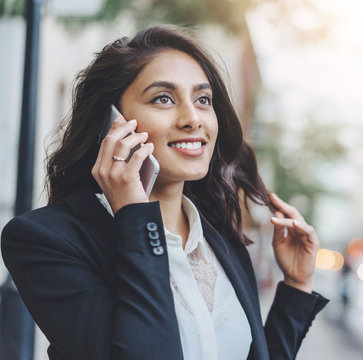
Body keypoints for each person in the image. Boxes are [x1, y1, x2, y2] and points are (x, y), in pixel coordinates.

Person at [1, 25, 328, 360]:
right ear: (111, 122)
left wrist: (297, 286)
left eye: (203, 100)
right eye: (163, 98)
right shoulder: (46, 240)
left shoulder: (221, 240)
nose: (192, 119)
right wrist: (136, 219)